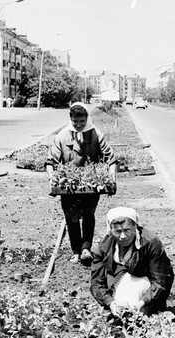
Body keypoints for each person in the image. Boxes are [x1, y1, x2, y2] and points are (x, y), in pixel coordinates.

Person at [46, 102, 117, 265]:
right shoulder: (62, 136)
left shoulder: (96, 134)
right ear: (70, 119)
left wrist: (111, 177)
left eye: (82, 122)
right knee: (71, 218)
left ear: (87, 119)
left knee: (88, 215)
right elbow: (51, 161)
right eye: (75, 122)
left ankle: (86, 248)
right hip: (69, 185)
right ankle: (76, 251)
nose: (78, 125)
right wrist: (52, 178)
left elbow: (110, 158)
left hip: (91, 184)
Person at [90, 207, 174, 316]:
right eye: (118, 231)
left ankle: (145, 308)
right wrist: (110, 302)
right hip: (117, 281)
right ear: (110, 230)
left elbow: (160, 281)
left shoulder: (150, 242)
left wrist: (141, 303)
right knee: (120, 307)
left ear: (135, 226)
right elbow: (96, 282)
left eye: (127, 230)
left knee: (130, 306)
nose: (123, 236)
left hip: (145, 282)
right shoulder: (104, 246)